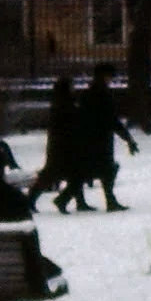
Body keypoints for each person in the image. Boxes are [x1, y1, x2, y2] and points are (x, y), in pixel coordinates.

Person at [73, 63, 139, 212]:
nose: (111, 80)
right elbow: (112, 120)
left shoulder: (88, 93)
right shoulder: (102, 94)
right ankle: (109, 200)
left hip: (89, 137)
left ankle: (80, 200)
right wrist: (128, 139)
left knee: (87, 171)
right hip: (100, 139)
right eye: (110, 76)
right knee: (106, 170)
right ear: (104, 76)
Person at [28, 76, 86, 208]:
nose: (74, 89)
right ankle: (35, 200)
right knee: (61, 174)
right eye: (72, 86)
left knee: (72, 174)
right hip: (63, 146)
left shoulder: (62, 103)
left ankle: (75, 201)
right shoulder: (65, 104)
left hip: (61, 145)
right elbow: (69, 123)